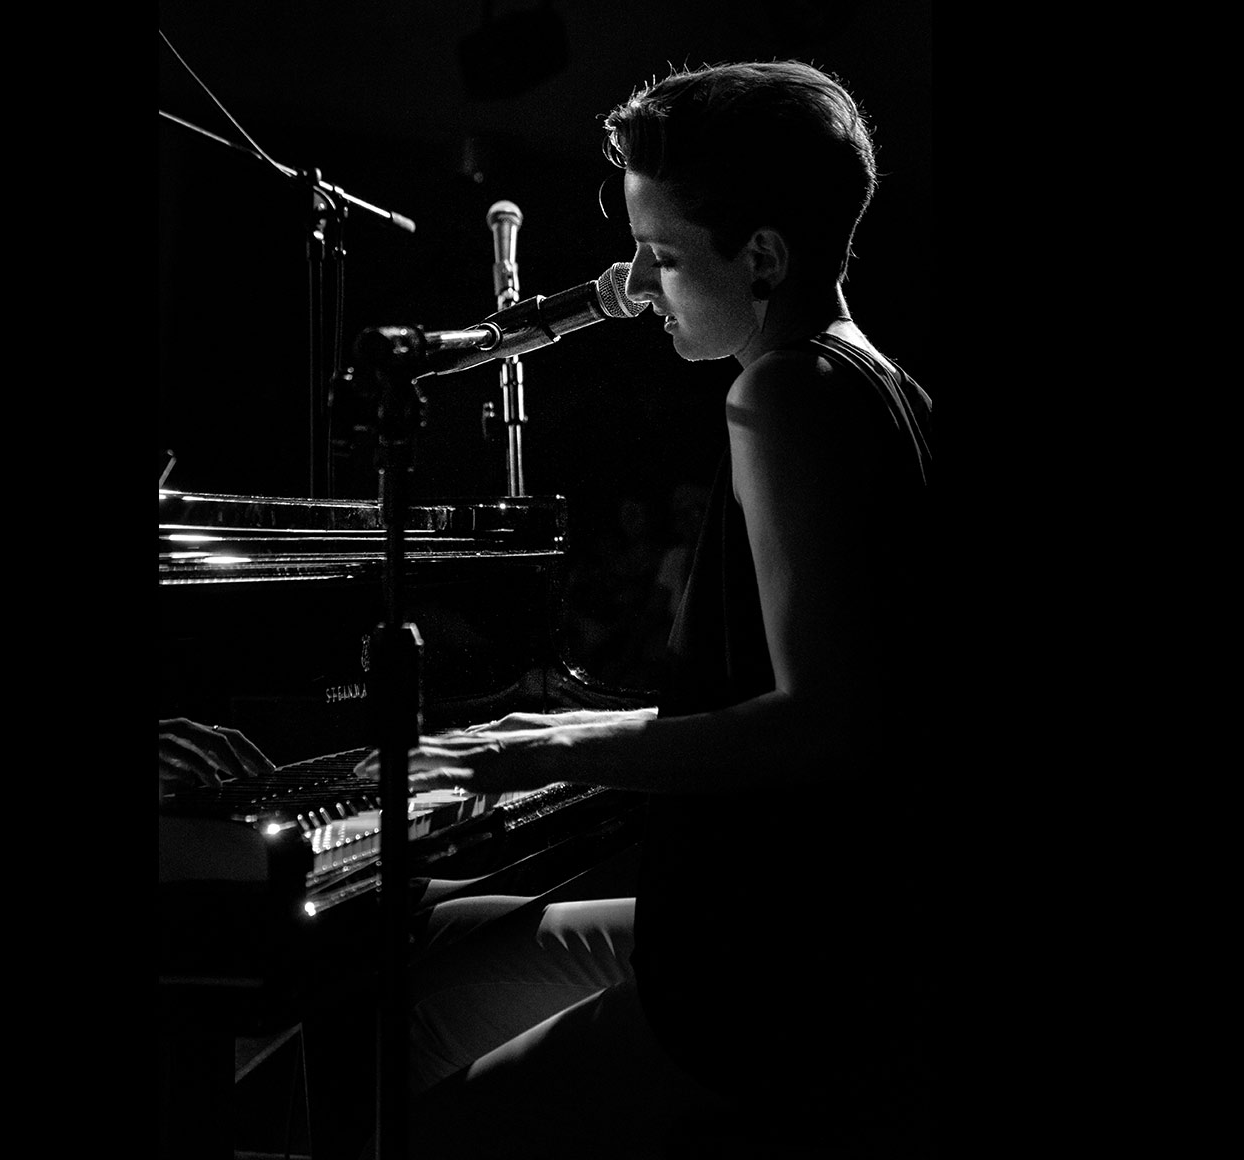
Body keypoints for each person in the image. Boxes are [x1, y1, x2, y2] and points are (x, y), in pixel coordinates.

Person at [344, 59, 940, 1158]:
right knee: (437, 949)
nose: (640, 284)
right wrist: (574, 731)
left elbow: (830, 723)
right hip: (788, 920)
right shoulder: (879, 381)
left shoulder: (785, 390)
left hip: (779, 972)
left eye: (662, 256)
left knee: (425, 1120)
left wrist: (562, 748)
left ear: (763, 258)